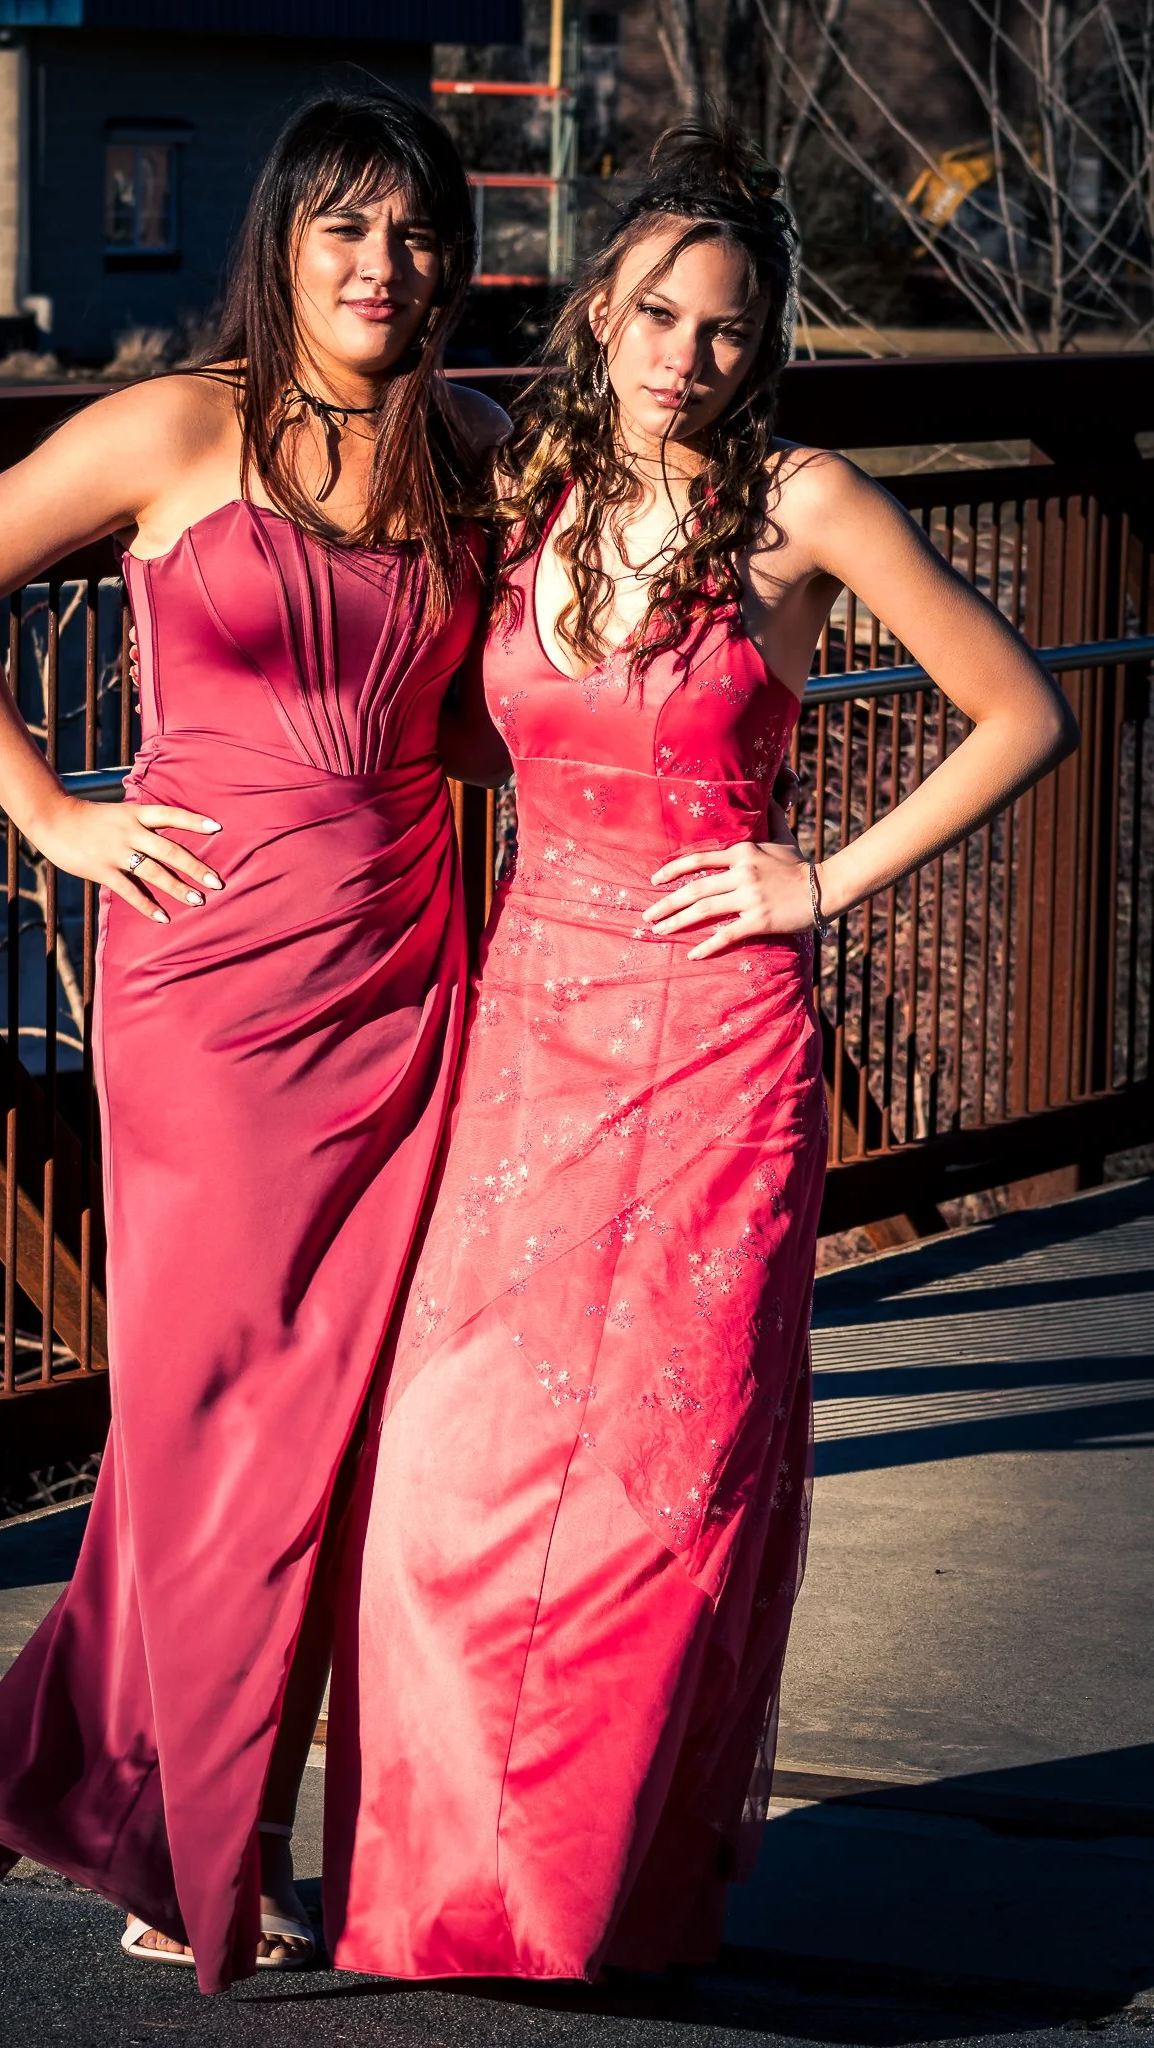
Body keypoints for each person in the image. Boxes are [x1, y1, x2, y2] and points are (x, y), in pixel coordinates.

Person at [323, 120, 1076, 1980]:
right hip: (526, 1024)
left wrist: (815, 878)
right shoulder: (525, 477)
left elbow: (1019, 712)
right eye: (657, 311)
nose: (686, 356)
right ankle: (436, 1884)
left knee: (661, 1483)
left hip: (719, 1036)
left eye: (727, 330)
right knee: (446, 1464)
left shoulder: (802, 502)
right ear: (601, 305)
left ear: (767, 347)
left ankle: (589, 1897)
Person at [0, 90, 506, 1992]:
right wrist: (52, 814)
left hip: (406, 972)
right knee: (216, 1408)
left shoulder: (475, 451)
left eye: (413, 237)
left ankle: (163, 1790)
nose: (379, 271)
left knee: (324, 1432)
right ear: (282, 243)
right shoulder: (177, 425)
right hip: (211, 994)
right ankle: (184, 1829)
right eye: (343, 232)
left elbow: (509, 703)